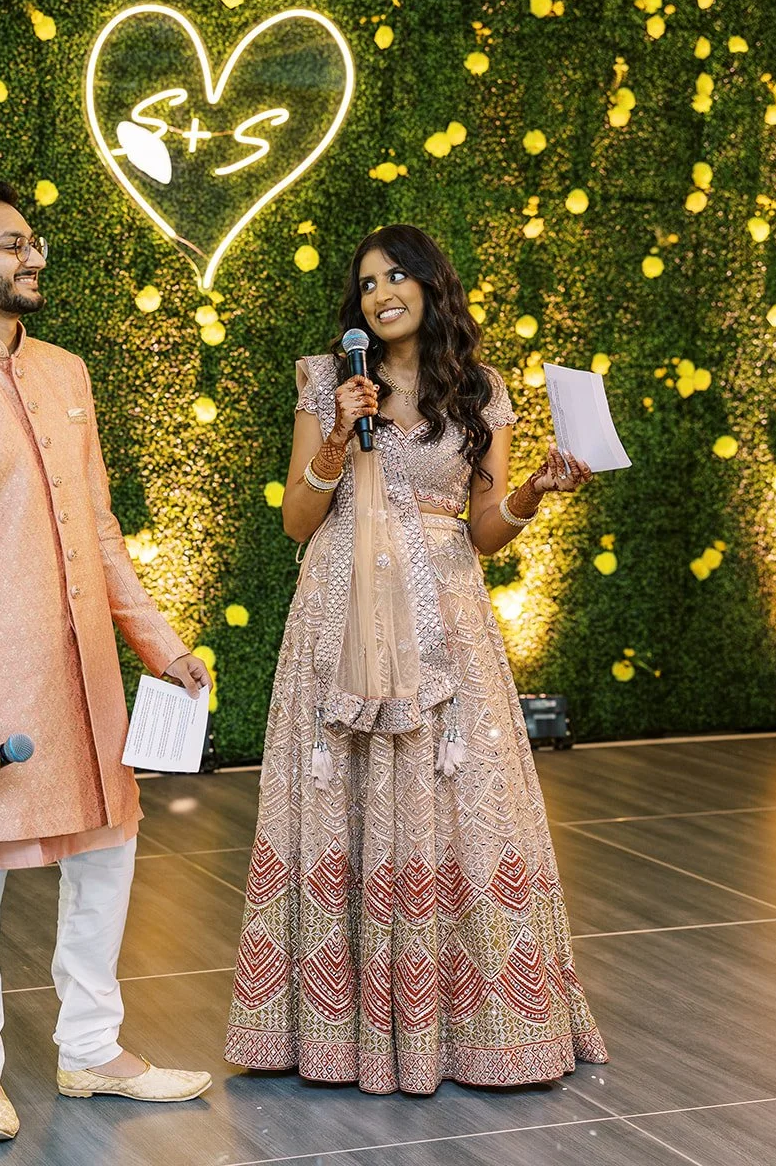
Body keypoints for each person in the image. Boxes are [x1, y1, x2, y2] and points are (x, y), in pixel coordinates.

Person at [224, 224, 608, 1094]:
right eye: (366, 283)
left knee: (459, 796)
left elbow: (483, 531)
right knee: (339, 796)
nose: (380, 292)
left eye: (397, 275)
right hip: (340, 615)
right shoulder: (327, 381)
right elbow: (295, 518)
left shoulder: (480, 390)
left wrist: (535, 495)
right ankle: (330, 1027)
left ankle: (475, 1024)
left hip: (443, 618)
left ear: (433, 287)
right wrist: (334, 440)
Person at [0, 180, 214, 1142]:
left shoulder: (67, 374)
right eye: (11, 246)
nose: (31, 260)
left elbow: (98, 531)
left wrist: (162, 644)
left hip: (87, 671)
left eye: (34, 245)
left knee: (108, 854)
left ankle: (92, 1049)